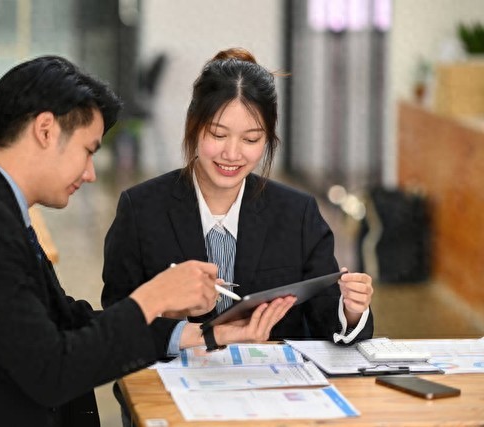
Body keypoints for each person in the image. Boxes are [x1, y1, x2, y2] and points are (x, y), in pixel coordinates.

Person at [0, 55, 227, 427]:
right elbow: (52, 371)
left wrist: (188, 332)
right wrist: (153, 298)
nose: (91, 173)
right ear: (46, 130)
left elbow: (65, 320)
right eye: (88, 151)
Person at [101, 48, 374, 419]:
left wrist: (352, 311)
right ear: (193, 126)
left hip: (274, 404)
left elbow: (329, 318)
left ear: (268, 139)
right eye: (218, 134)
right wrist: (173, 314)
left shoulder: (296, 213)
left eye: (251, 139)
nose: (232, 154)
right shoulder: (141, 209)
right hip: (171, 399)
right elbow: (117, 321)